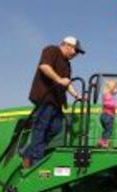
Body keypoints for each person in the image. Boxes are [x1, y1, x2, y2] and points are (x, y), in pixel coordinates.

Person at [22, 36, 85, 168]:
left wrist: (77, 96)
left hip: (57, 102)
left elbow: (67, 83)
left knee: (56, 128)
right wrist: (58, 79)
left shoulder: (67, 64)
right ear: (67, 45)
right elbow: (44, 67)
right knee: (41, 128)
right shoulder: (51, 50)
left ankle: (28, 152)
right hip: (45, 97)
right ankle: (36, 162)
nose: (76, 54)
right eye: (76, 50)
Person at [98, 79, 117, 148]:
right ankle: (104, 142)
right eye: (116, 88)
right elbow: (106, 103)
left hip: (106, 116)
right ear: (111, 88)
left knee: (106, 130)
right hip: (107, 116)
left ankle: (102, 141)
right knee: (109, 130)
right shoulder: (108, 95)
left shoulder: (108, 95)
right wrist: (114, 104)